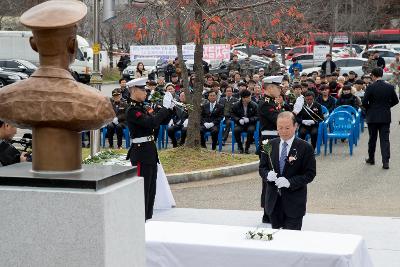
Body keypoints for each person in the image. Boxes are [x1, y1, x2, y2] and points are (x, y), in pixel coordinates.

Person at [126, 77, 175, 220]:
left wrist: (169, 110)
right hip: (141, 153)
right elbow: (151, 123)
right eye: (143, 90)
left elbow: (160, 121)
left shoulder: (142, 107)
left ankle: (148, 218)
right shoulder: (132, 110)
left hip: (150, 151)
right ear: (134, 90)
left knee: (151, 190)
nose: (146, 92)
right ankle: (140, 220)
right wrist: (164, 109)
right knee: (143, 190)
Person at [259, 111, 316, 230]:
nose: (283, 131)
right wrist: (267, 175)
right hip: (273, 202)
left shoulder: (305, 148)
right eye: (280, 128)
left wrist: (290, 182)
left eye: (287, 128)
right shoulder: (269, 145)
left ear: (295, 126)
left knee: (291, 241)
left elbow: (310, 174)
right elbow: (262, 167)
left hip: (294, 203)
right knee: (275, 239)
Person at [362, 68, 399, 169]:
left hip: (372, 117)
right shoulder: (390, 87)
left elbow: (364, 102)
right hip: (385, 116)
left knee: (372, 139)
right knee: (385, 140)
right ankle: (385, 162)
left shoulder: (370, 87)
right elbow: (396, 101)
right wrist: (387, 107)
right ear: (382, 75)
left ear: (373, 76)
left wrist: (370, 109)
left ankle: (371, 158)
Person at [258, 75, 282, 224]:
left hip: (276, 140)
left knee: (277, 174)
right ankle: (267, 212)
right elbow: (278, 119)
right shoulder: (265, 103)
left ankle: (274, 209)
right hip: (268, 142)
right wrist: (295, 113)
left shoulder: (273, 102)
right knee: (268, 176)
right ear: (270, 88)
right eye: (277, 87)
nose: (280, 89)